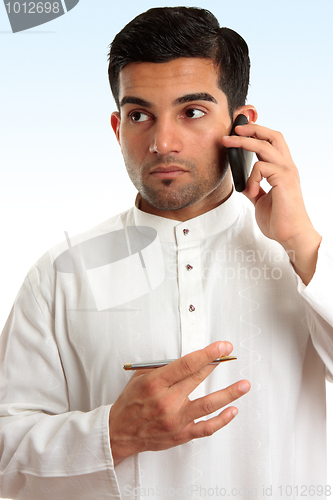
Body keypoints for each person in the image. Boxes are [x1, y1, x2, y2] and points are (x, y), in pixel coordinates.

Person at [0, 6, 332, 500]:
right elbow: (7, 455)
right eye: (139, 115)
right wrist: (112, 433)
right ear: (117, 128)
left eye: (192, 111)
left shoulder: (305, 261)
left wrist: (302, 244)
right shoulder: (59, 275)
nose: (162, 142)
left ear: (243, 124)